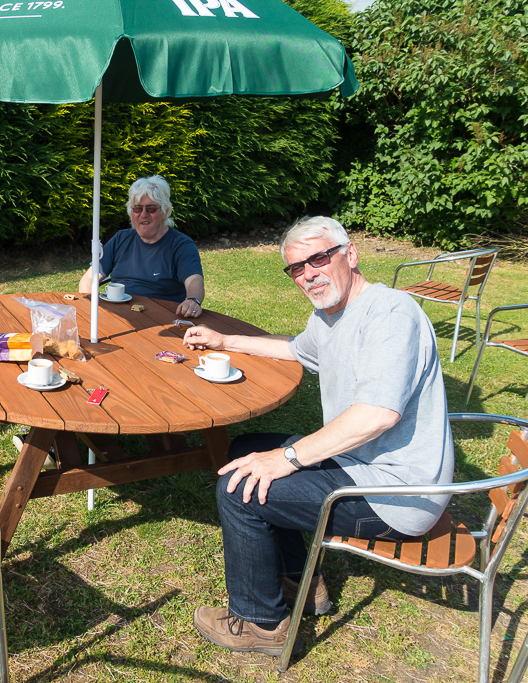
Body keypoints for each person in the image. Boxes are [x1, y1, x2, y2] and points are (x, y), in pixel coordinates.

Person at [182, 216, 453, 655]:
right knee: (246, 448)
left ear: (350, 254)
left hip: (398, 496)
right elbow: (293, 348)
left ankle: (260, 623)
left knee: (238, 488)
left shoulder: (391, 313)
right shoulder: (330, 316)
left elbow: (377, 415)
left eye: (319, 258)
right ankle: (296, 582)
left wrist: (287, 458)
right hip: (362, 464)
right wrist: (223, 339)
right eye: (296, 268)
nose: (309, 274)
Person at [78, 175, 205, 318]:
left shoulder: (181, 245)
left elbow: (194, 280)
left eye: (151, 209)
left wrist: (193, 300)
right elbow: (89, 278)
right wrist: (89, 307)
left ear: (164, 212)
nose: (143, 214)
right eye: (137, 209)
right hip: (117, 316)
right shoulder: (121, 238)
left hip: (162, 318)